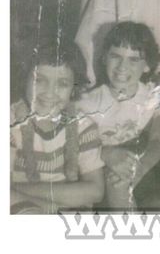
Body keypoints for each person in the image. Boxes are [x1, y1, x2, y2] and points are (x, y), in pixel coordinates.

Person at [76, 22, 160, 210]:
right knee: (117, 185)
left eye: (134, 60)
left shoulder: (159, 95)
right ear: (103, 58)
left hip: (145, 166)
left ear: (147, 65)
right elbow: (77, 148)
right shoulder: (87, 102)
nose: (122, 67)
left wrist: (137, 171)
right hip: (102, 172)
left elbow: (158, 142)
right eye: (115, 56)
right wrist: (106, 153)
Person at [10, 41, 104, 214]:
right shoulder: (11, 122)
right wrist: (48, 207)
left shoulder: (83, 127)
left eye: (62, 84)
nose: (49, 92)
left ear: (74, 89)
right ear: (25, 78)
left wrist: (16, 190)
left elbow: (95, 191)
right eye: (40, 80)